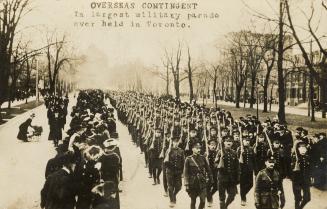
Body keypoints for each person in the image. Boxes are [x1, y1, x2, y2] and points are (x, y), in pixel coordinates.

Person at [184, 142, 212, 209]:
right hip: (192, 183)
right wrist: (187, 184)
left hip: (202, 182)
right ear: (193, 149)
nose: (199, 150)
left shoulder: (203, 158)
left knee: (203, 201)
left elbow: (208, 170)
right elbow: (186, 173)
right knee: (193, 201)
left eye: (199, 148)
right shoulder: (188, 159)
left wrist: (210, 179)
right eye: (197, 148)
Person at [215, 136, 239, 209]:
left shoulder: (234, 153)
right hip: (222, 177)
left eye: (230, 141)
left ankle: (225, 207)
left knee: (232, 195)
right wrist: (219, 165)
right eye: (227, 141)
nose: (229, 142)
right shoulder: (220, 152)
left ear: (232, 143)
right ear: (224, 143)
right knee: (222, 197)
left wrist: (237, 178)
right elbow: (215, 163)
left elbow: (237, 166)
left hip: (231, 178)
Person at [164, 134, 185, 207]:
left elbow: (183, 162)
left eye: (177, 142)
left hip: (178, 172)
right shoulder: (168, 150)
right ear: (172, 142)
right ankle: (172, 200)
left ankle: (173, 195)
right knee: (170, 186)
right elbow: (165, 162)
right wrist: (169, 168)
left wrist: (183, 172)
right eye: (174, 142)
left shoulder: (181, 151)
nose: (176, 143)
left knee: (179, 187)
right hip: (170, 171)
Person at [291, 141, 311, 209]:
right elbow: (290, 171)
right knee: (298, 198)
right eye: (301, 148)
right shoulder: (294, 158)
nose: (303, 149)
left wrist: (310, 178)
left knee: (307, 198)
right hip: (297, 181)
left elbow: (309, 169)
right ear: (298, 149)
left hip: (305, 181)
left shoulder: (307, 157)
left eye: (304, 147)